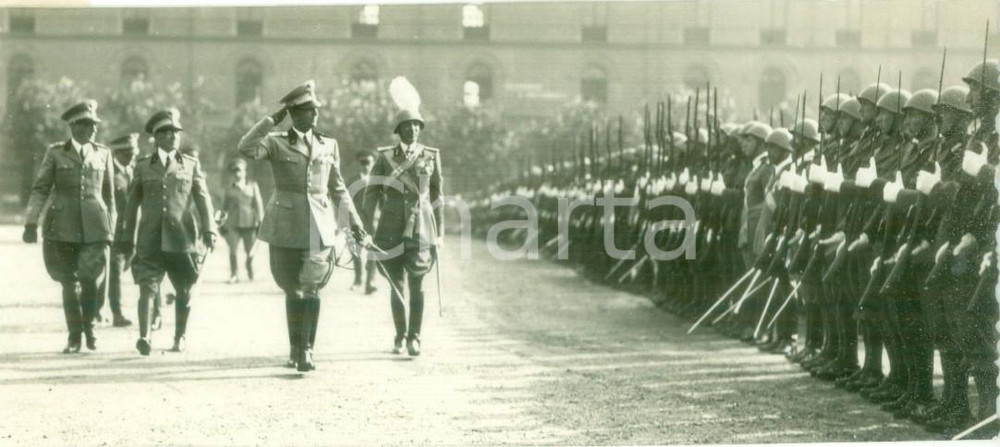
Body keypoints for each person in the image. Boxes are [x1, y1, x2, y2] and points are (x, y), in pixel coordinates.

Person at [237, 80, 366, 372]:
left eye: (316, 110)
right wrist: (271, 120)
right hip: (284, 226)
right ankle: (295, 349)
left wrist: (354, 223)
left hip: (318, 227)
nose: (315, 115)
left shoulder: (328, 144)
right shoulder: (275, 141)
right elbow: (245, 147)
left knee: (312, 290)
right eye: (309, 110)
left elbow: (338, 188)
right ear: (294, 113)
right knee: (292, 290)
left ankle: (307, 350)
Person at [119, 109, 217, 355]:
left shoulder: (191, 165)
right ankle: (145, 337)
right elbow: (131, 206)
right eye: (167, 132)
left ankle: (180, 336)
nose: (173, 136)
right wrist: (127, 239)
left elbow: (203, 199)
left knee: (183, 288)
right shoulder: (142, 166)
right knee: (147, 287)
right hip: (150, 238)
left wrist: (210, 229)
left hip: (181, 238)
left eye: (176, 132)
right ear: (157, 137)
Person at [23, 100, 116, 353]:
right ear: (74, 126)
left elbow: (109, 197)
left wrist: (112, 228)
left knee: (89, 278)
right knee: (68, 282)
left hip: (95, 227)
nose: (93, 129)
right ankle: (74, 335)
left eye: (94, 125)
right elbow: (41, 188)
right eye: (87, 125)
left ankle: (90, 328)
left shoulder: (103, 153)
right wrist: (31, 221)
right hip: (62, 226)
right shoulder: (55, 153)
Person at [363, 76, 444, 357]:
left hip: (421, 228)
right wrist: (366, 228)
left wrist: (441, 231)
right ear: (398, 131)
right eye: (407, 126)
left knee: (418, 283)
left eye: (416, 126)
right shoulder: (385, 158)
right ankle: (399, 334)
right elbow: (371, 192)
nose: (412, 130)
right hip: (389, 227)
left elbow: (437, 196)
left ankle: (415, 336)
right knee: (395, 284)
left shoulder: (431, 156)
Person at [97, 133, 139, 328]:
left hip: (134, 231)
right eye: (128, 153)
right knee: (114, 271)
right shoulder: (109, 174)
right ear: (118, 153)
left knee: (113, 271)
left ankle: (95, 308)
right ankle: (117, 313)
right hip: (114, 230)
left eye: (134, 152)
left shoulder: (134, 171)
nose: (132, 156)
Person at [221, 158, 264, 284]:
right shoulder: (229, 188)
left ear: (245, 171)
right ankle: (234, 274)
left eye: (239, 170)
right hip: (233, 223)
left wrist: (261, 220)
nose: (237, 174)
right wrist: (221, 223)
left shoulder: (252, 186)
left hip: (250, 223)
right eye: (234, 171)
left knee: (250, 251)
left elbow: (258, 204)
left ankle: (249, 266)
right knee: (233, 250)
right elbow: (224, 207)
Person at [348, 150, 379, 294]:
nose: (365, 166)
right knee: (356, 251)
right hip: (356, 222)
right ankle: (358, 279)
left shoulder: (378, 181)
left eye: (368, 162)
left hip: (373, 221)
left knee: (373, 251)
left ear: (374, 163)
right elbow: (344, 203)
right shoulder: (352, 181)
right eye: (362, 162)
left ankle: (370, 282)